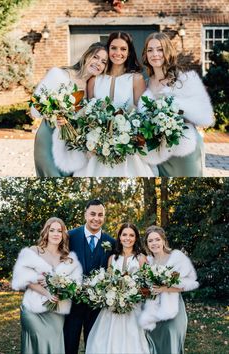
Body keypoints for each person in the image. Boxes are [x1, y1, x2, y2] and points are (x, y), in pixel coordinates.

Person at [73, 31, 158, 177]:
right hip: (97, 149)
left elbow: (143, 116)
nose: (118, 53)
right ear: (108, 49)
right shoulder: (94, 80)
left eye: (123, 49)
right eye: (113, 48)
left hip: (127, 150)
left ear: (129, 52)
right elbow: (86, 114)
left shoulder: (136, 79)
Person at [139, 32, 214, 177]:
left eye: (160, 49)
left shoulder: (183, 80)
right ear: (146, 55)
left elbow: (204, 117)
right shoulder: (145, 84)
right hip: (159, 151)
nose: (155, 54)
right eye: (150, 50)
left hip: (185, 148)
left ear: (167, 52)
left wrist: (173, 118)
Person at [31, 42, 108, 177]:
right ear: (86, 56)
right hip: (49, 137)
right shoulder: (58, 74)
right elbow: (34, 110)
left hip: (73, 147)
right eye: (95, 57)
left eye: (103, 62)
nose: (98, 63)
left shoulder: (94, 87)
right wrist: (55, 113)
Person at [11, 217, 83, 354]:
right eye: (52, 230)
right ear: (46, 232)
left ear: (63, 235)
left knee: (53, 345)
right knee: (40, 340)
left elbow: (74, 285)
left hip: (56, 312)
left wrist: (63, 289)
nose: (56, 234)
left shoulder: (67, 258)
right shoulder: (35, 251)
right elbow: (26, 279)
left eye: (59, 231)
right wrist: (47, 293)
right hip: (33, 309)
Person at [85, 222, 149, 354]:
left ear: (136, 238)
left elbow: (146, 285)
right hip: (112, 306)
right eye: (124, 234)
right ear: (119, 237)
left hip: (133, 307)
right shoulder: (112, 258)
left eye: (131, 235)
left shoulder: (141, 259)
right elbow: (107, 282)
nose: (128, 238)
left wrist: (132, 295)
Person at [64, 199, 116, 354]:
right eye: (93, 214)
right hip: (72, 302)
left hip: (97, 306)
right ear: (85, 214)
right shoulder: (70, 236)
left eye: (100, 215)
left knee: (94, 345)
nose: (96, 218)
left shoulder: (111, 242)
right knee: (69, 342)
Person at [140, 225, 199, 354]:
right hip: (153, 310)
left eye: (157, 239)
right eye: (150, 241)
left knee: (170, 343)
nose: (154, 243)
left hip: (173, 309)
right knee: (153, 345)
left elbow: (190, 283)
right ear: (146, 244)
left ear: (163, 241)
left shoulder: (176, 257)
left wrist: (163, 288)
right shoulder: (147, 261)